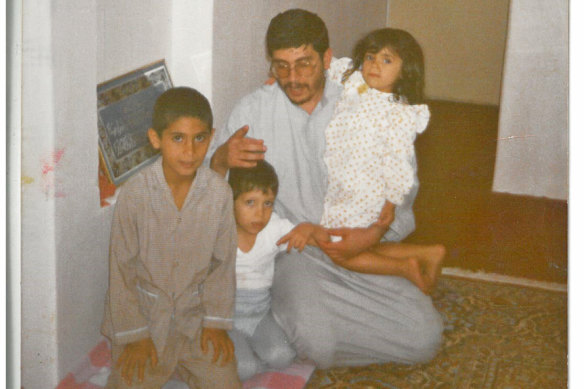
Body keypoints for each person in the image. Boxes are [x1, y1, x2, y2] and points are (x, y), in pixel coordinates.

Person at [208, 8, 443, 368]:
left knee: (424, 339)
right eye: (281, 66)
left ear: (327, 59)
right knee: (320, 344)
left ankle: (281, 313)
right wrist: (222, 160)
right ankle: (287, 311)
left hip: (357, 247)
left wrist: (371, 236)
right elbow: (208, 194)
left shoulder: (366, 99)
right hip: (296, 252)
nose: (293, 78)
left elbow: (400, 193)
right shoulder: (253, 111)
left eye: (304, 63)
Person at [101, 87, 240, 388]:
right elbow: (121, 271)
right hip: (146, 324)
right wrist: (136, 336)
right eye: (178, 138)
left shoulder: (219, 194)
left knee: (227, 381)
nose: (190, 151)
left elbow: (223, 264)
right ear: (155, 139)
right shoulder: (135, 195)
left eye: (199, 138)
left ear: (211, 136)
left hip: (196, 321)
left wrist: (215, 323)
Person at [319, 28, 445, 295]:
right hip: (343, 186)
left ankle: (405, 267)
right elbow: (326, 64)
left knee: (338, 248)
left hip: (366, 193)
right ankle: (428, 253)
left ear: (404, 70)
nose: (375, 65)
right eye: (370, 57)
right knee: (361, 244)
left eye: (387, 60)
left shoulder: (399, 113)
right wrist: (278, 76)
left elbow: (399, 162)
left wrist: (391, 201)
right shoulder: (354, 82)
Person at [227, 159, 326, 379]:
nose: (260, 213)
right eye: (250, 202)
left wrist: (307, 228)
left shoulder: (274, 228)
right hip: (227, 320)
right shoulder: (219, 230)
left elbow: (320, 239)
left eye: (268, 203)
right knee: (244, 369)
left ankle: (252, 353)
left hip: (260, 314)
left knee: (283, 356)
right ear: (231, 201)